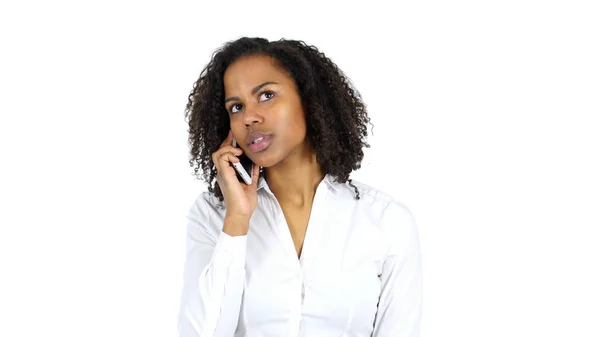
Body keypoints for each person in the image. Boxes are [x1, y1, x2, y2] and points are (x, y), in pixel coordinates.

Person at [178, 37, 422, 337]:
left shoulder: (386, 221)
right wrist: (237, 221)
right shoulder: (212, 216)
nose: (249, 117)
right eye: (236, 106)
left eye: (266, 95)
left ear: (309, 101)